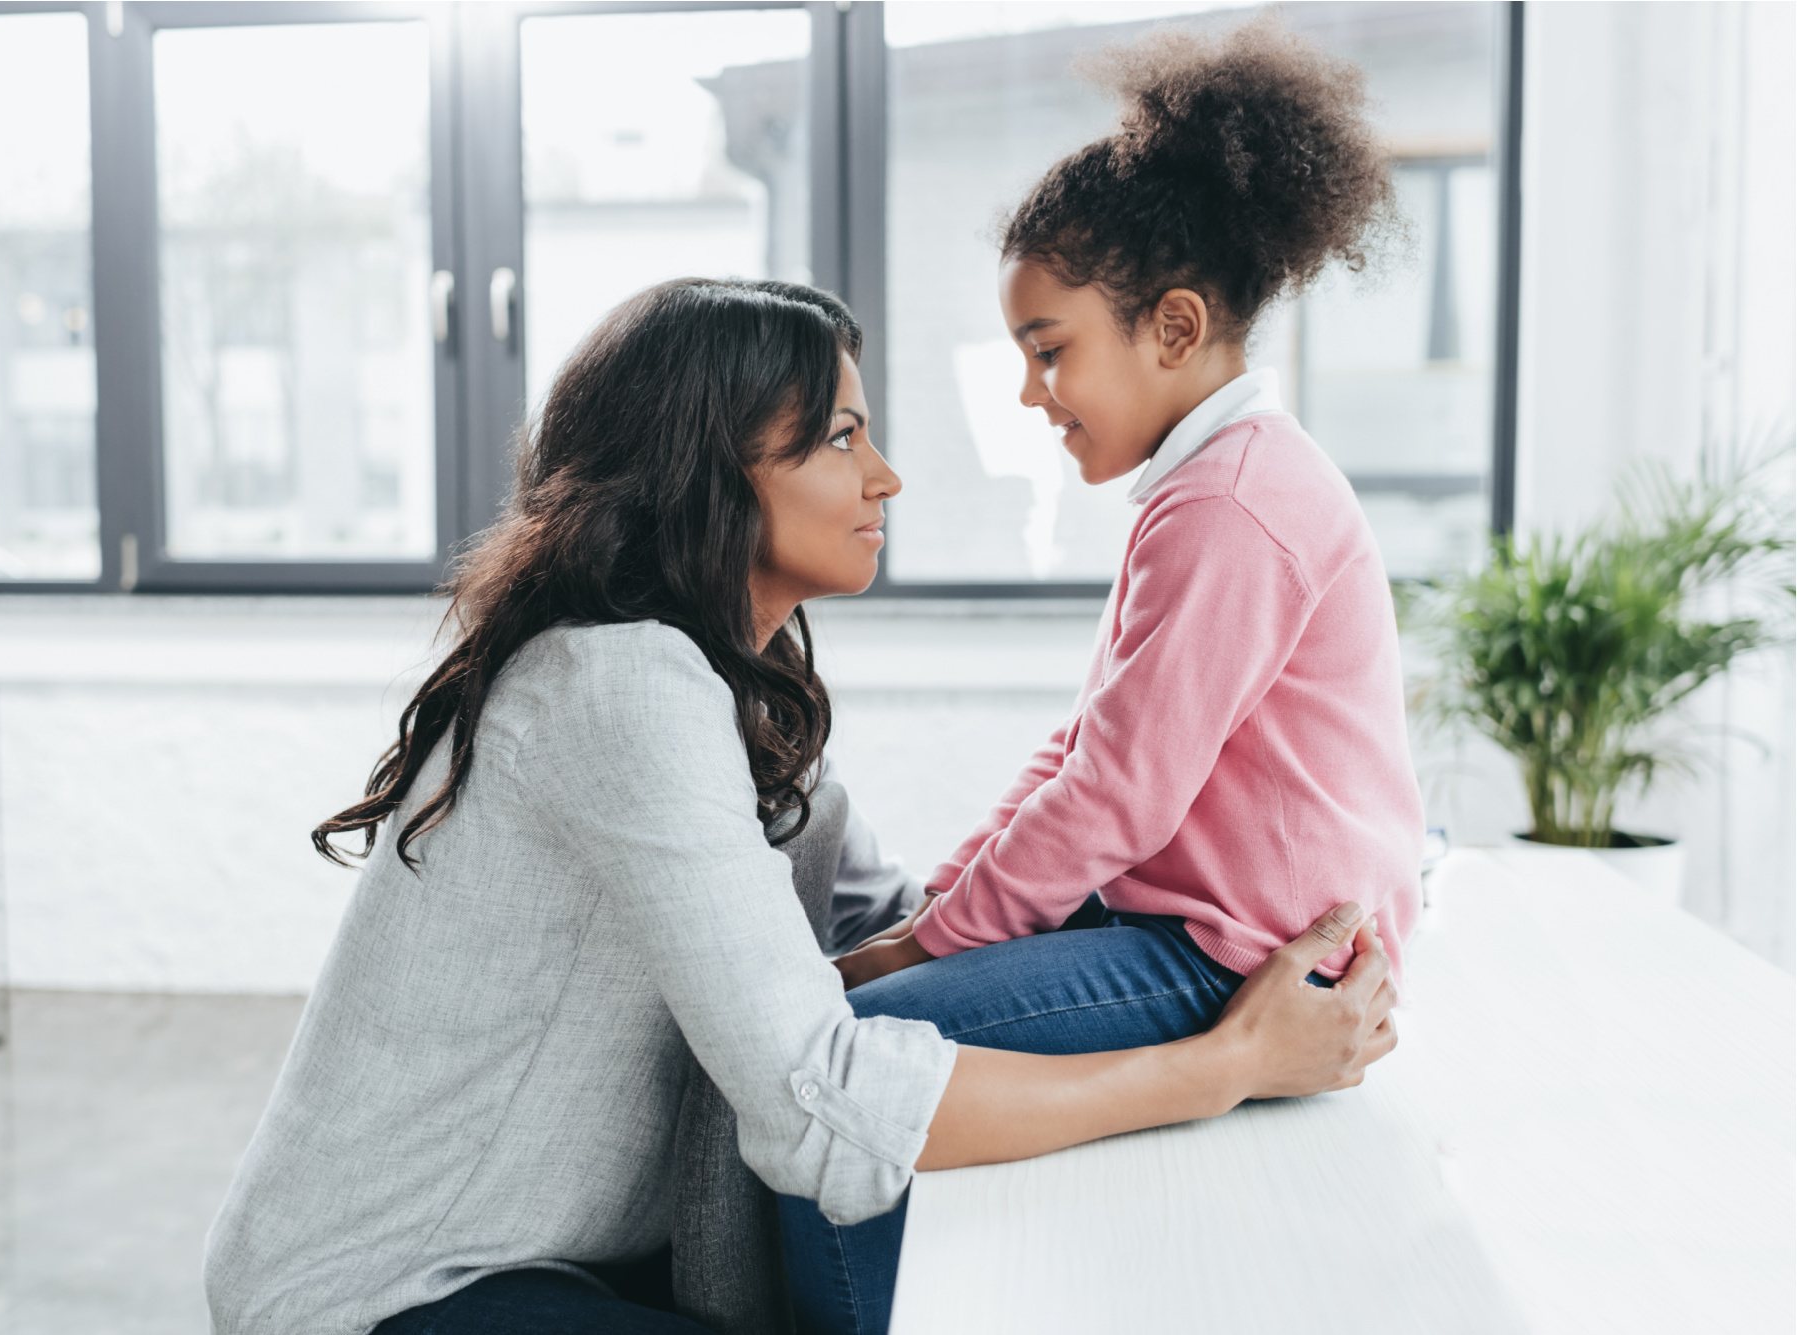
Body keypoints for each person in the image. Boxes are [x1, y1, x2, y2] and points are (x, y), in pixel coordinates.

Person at [202, 277, 1397, 1335]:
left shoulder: (731, 702)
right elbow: (816, 1099)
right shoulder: (615, 688)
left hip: (579, 1261)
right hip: (398, 1292)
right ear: (706, 475)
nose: (885, 476)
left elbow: (896, 933)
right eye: (837, 438)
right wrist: (1227, 1060)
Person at [789, 16, 1426, 1330]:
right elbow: (1089, 751)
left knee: (846, 1073)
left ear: (1175, 326)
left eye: (1049, 346)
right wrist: (947, 902)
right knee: (878, 994)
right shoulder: (1211, 483)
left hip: (1234, 958)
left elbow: (1116, 799)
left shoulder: (1234, 500)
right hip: (1187, 925)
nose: (1032, 390)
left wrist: (925, 941)